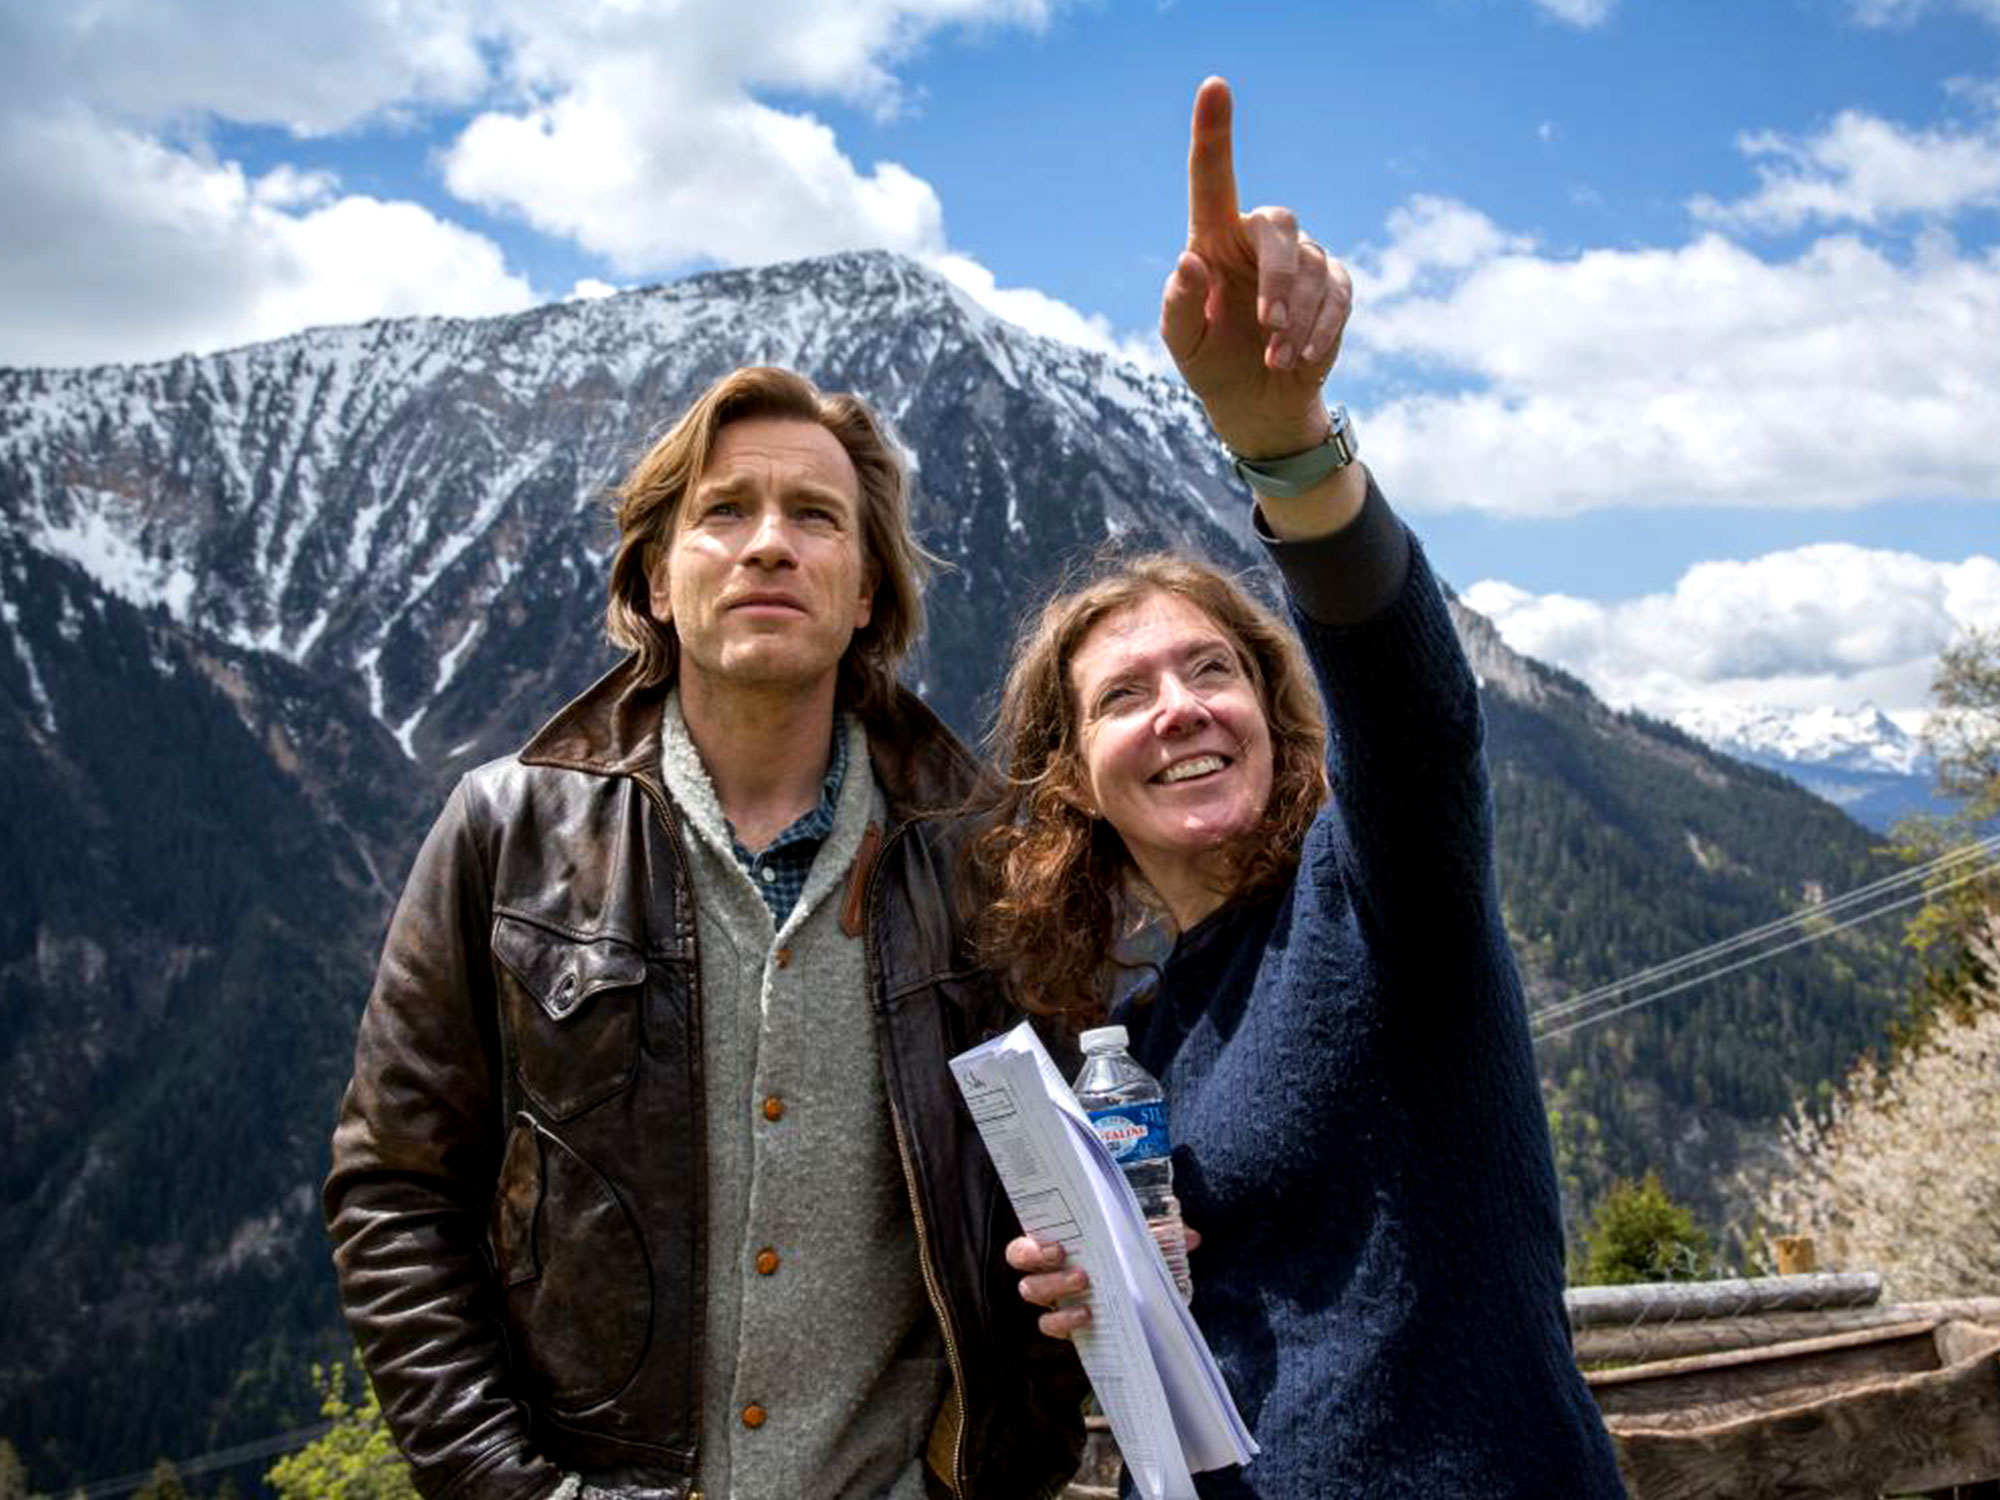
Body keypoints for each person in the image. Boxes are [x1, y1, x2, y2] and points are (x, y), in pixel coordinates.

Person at [985, 79, 1629, 1498]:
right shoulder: (1139, 1041)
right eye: (1124, 696)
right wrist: (1125, 1294)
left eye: (1211, 670)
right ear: (1075, 780)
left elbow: (1421, 716)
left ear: (1276, 718)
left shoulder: (1374, 896)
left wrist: (1286, 447)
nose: (1180, 709)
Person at [324, 365, 1085, 1500]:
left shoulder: (980, 864)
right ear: (657, 580)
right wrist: (506, 1488)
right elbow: (396, 1196)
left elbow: (1065, 1207)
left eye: (815, 516)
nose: (768, 545)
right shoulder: (505, 832)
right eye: (724, 510)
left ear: (867, 591)